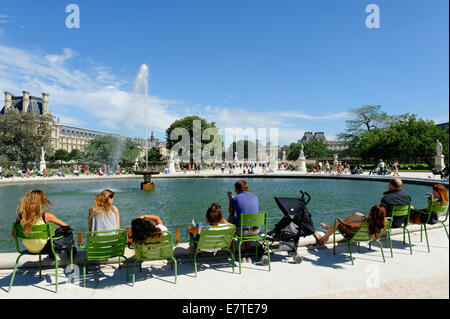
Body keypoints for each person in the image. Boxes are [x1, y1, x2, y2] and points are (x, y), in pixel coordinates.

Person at [14, 190, 73, 256]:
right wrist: (55, 231)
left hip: (29, 248)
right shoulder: (46, 216)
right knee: (68, 230)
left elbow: (14, 234)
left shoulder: (21, 215)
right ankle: (67, 250)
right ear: (41, 202)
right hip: (45, 248)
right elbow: (67, 227)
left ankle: (56, 251)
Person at [317, 205, 388, 244]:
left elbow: (346, 223)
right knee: (338, 224)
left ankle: (323, 238)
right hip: (366, 236)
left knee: (337, 222)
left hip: (352, 234)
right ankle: (328, 227)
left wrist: (354, 215)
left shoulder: (365, 222)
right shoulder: (385, 221)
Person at [227, 180, 260, 263]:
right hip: (256, 230)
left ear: (237, 190)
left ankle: (233, 253)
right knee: (247, 222)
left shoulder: (235, 199)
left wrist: (230, 199)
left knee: (231, 218)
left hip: (242, 231)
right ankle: (248, 254)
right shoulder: (255, 197)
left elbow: (231, 213)